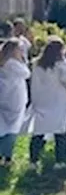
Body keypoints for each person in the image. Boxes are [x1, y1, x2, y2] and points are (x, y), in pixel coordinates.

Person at [26, 38, 66, 167]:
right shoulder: (61, 65)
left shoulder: (36, 64)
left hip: (41, 101)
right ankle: (59, 161)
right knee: (60, 133)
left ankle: (33, 160)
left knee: (38, 133)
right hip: (59, 102)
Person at [0, 39, 31, 167]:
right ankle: (7, 157)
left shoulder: (3, 62)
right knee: (12, 128)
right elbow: (27, 73)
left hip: (4, 96)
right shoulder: (13, 63)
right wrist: (23, 59)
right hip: (14, 98)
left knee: (3, 126)